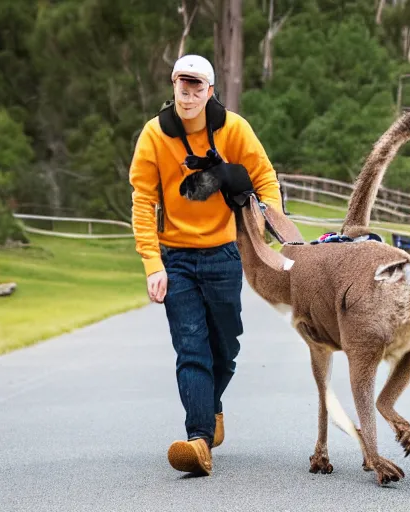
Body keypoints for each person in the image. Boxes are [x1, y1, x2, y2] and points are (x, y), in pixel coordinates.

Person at [129, 54, 282, 476]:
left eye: (198, 86)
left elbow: (265, 176)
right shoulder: (155, 134)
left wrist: (268, 217)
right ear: (173, 85)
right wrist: (152, 263)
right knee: (191, 349)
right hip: (175, 257)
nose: (190, 93)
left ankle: (210, 407)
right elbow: (144, 201)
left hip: (224, 254)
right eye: (183, 84)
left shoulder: (234, 129)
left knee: (226, 349)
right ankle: (198, 439)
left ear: (210, 91)